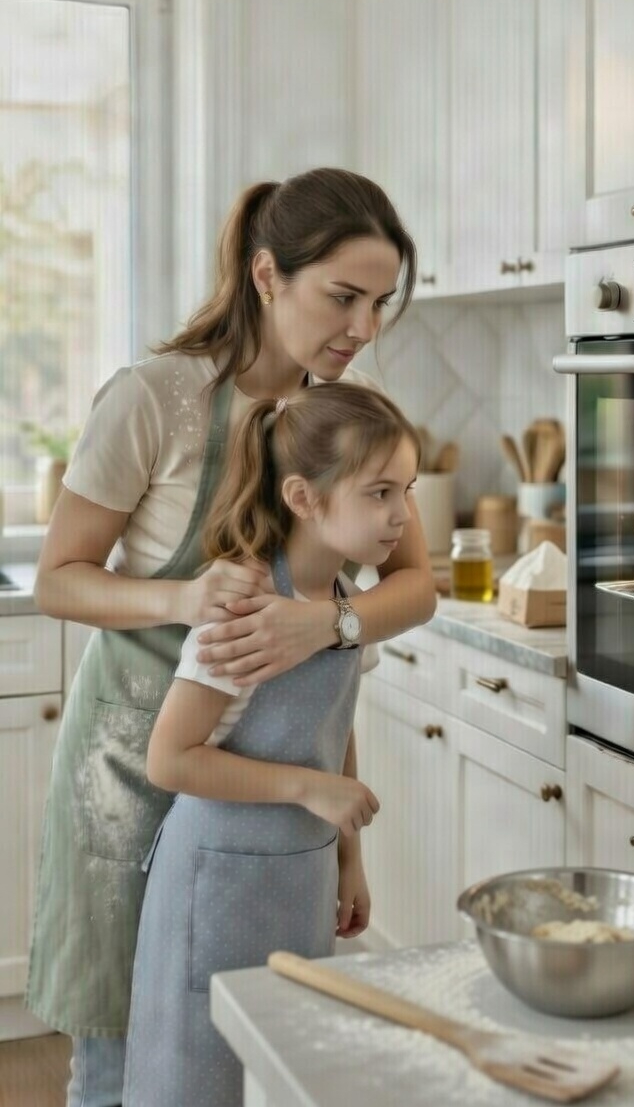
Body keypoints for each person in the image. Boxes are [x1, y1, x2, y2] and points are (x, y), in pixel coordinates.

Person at [25, 169, 436, 1107]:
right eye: (343, 296)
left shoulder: (341, 421)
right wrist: (184, 600)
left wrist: (324, 623)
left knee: (250, 1045)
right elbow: (58, 580)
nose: (363, 327)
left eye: (379, 302)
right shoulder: (152, 397)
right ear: (266, 274)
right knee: (124, 1049)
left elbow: (414, 589)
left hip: (265, 792)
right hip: (132, 765)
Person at [121, 382, 419, 1107]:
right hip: (215, 889)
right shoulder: (244, 611)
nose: (403, 516)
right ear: (304, 497)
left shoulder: (344, 602)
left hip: (299, 877)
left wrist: (349, 857)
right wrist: (308, 789)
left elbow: (333, 722)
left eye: (406, 489)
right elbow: (171, 759)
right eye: (380, 492)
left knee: (284, 1077)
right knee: (202, 1082)